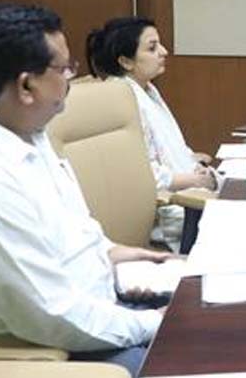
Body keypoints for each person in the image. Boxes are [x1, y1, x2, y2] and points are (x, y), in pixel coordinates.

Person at [0, 4, 167, 377]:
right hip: (49, 348)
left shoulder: (21, 127)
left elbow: (66, 228)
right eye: (64, 68)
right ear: (26, 86)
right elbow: (55, 315)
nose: (72, 77)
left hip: (101, 304)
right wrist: (158, 322)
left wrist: (111, 253)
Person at [87, 16, 218, 251]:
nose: (164, 52)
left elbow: (167, 146)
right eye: (152, 47)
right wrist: (195, 180)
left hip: (187, 191)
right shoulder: (121, 98)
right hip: (168, 208)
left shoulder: (147, 89)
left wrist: (192, 163)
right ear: (126, 61)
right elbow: (142, 175)